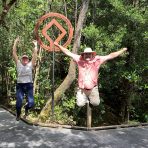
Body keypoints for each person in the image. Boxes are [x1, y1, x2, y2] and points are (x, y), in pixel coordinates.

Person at [54, 42, 127, 107]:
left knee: (96, 103)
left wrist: (122, 50)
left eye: (89, 54)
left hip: (93, 88)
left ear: (92, 55)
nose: (88, 55)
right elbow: (68, 52)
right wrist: (58, 45)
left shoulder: (98, 60)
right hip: (82, 88)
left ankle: (90, 101)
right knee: (80, 104)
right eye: (86, 54)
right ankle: (85, 99)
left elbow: (111, 55)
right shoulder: (79, 59)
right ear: (83, 55)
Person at [12, 37, 38, 120]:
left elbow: (35, 55)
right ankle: (18, 114)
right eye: (23, 58)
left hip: (29, 85)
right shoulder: (18, 64)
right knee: (18, 103)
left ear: (28, 60)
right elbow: (14, 53)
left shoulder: (30, 65)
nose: (25, 59)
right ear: (21, 59)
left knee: (31, 103)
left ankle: (26, 109)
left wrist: (35, 45)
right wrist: (15, 42)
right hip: (20, 85)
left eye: (26, 58)